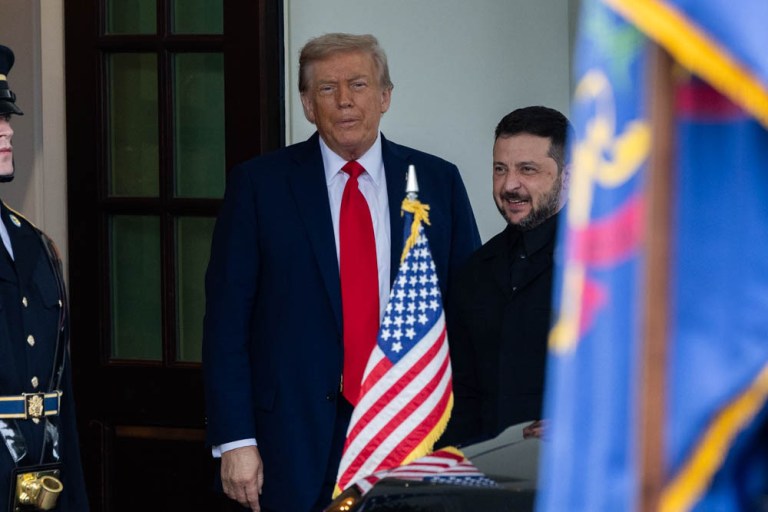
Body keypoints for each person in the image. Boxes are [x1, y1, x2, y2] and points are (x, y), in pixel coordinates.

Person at [202, 33, 480, 512]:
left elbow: (470, 313)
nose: (345, 100)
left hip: (411, 429)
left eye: (358, 84)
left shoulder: (438, 181)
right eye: (327, 89)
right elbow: (226, 323)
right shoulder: (259, 186)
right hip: (289, 441)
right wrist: (235, 440)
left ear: (385, 96)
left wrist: (470, 434)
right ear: (308, 105)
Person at [441, 106, 572, 446]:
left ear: (569, 177)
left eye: (527, 170)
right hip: (487, 482)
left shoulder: (611, 267)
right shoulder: (474, 272)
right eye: (500, 169)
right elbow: (461, 398)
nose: (510, 185)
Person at [0, 45, 89, 510]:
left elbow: (60, 395)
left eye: (6, 118)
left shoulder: (35, 244)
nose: (8, 130)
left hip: (40, 480)